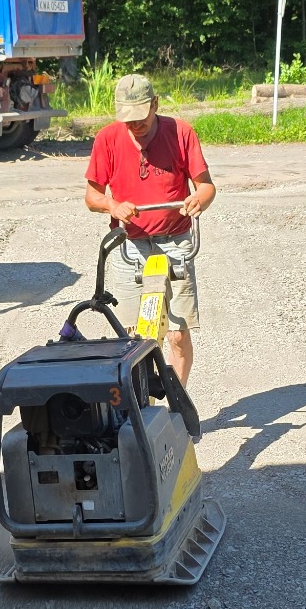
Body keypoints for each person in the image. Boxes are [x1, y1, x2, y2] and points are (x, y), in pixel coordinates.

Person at [83, 73, 216, 384]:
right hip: (130, 245)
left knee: (177, 334)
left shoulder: (180, 133)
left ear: (155, 104)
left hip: (175, 241)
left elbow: (206, 187)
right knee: (133, 337)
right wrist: (112, 206)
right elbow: (91, 196)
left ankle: (177, 403)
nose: (135, 125)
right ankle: (139, 404)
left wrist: (199, 200)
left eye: (141, 117)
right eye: (128, 119)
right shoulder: (107, 139)